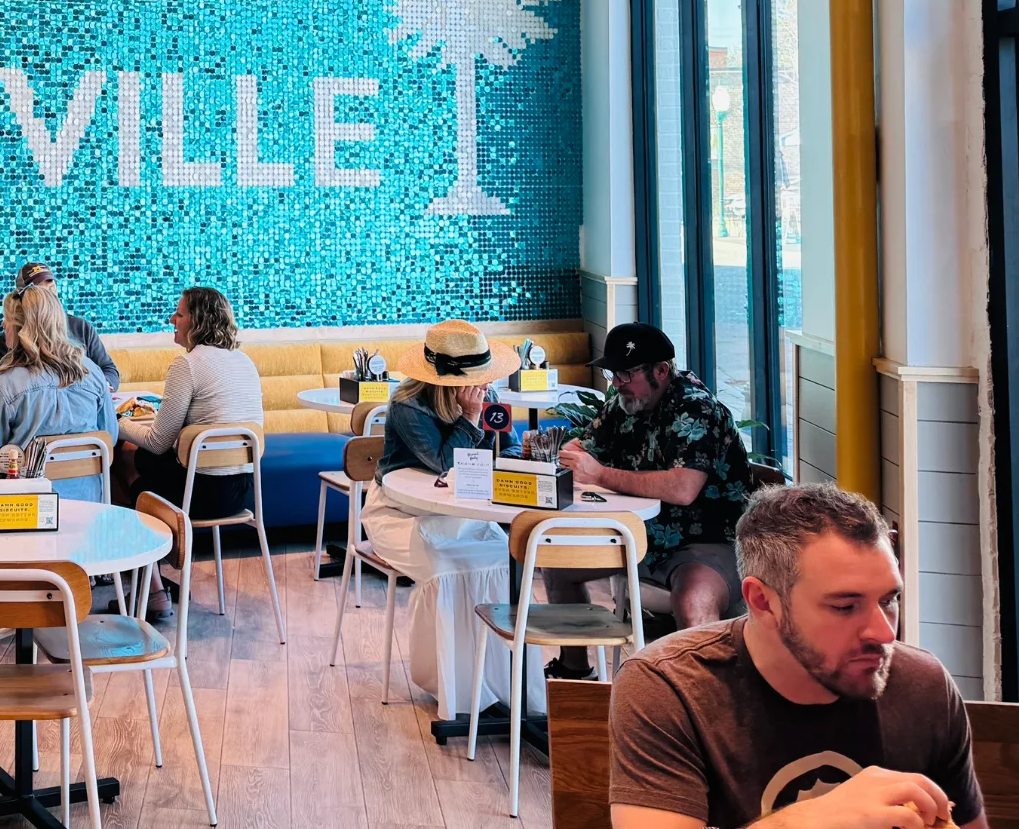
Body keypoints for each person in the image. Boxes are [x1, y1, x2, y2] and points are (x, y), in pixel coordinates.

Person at [609, 484, 985, 829]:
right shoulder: (670, 687)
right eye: (845, 606)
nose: (886, 634)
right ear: (763, 602)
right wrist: (809, 820)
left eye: (888, 600)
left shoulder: (923, 684)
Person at [549, 321, 755, 678]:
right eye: (613, 374)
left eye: (626, 374)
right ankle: (576, 676)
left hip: (706, 540)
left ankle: (705, 704)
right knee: (559, 566)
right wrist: (570, 454)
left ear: (661, 370)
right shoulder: (623, 403)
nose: (617, 384)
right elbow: (581, 447)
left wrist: (599, 474)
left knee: (693, 602)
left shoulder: (696, 409)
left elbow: (682, 488)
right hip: (641, 536)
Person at [356, 319, 536, 721]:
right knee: (445, 568)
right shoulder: (407, 406)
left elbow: (504, 450)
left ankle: (505, 687)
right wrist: (470, 419)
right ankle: (454, 690)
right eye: (475, 379)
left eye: (484, 378)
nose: (482, 386)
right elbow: (443, 464)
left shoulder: (486, 397)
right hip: (401, 513)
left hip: (465, 511)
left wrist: (516, 450)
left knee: (502, 562)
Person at [0, 284, 117, 503]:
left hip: (20, 508)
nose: (3, 325)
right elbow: (110, 438)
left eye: (7, 320)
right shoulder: (94, 374)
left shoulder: (4, 383)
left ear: (21, 328)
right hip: (87, 504)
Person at [116, 287, 262, 521]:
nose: (171, 319)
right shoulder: (245, 361)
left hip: (201, 495)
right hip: (243, 494)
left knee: (128, 455)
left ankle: (148, 543)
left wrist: (118, 423)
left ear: (199, 321)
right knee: (144, 457)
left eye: (179, 314)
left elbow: (157, 442)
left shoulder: (187, 364)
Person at [0, 262, 120, 391]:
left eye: (52, 288)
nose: (50, 295)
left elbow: (109, 369)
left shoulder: (82, 328)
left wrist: (103, 387)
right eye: (40, 291)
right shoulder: (7, 341)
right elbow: (1, 388)